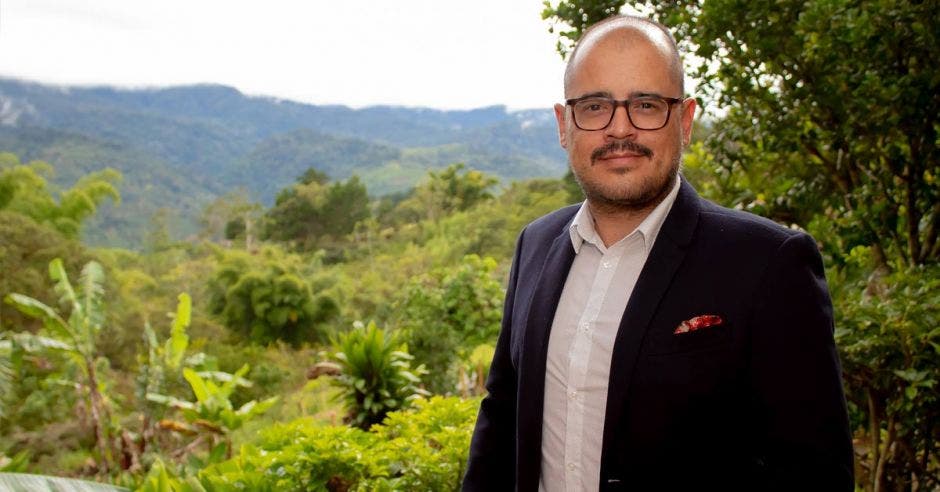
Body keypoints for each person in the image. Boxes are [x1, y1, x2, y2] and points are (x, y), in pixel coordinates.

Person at [463, 15, 854, 491]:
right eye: (594, 106)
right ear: (565, 125)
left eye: (646, 105)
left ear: (685, 121)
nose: (619, 129)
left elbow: (814, 472)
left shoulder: (769, 263)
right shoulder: (536, 244)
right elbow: (502, 410)